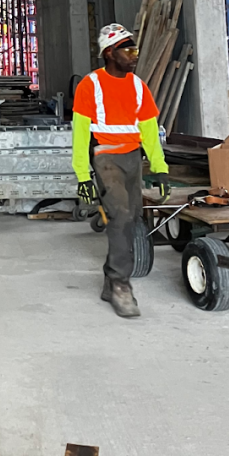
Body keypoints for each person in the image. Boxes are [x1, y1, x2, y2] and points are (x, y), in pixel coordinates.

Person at [72, 23, 170, 319]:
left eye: (135, 49)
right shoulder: (90, 85)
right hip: (105, 159)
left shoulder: (138, 86)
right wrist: (82, 176)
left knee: (131, 219)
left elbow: (150, 132)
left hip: (132, 160)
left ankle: (108, 281)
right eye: (128, 50)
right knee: (122, 216)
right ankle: (120, 285)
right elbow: (79, 133)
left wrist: (160, 169)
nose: (134, 55)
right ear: (110, 52)